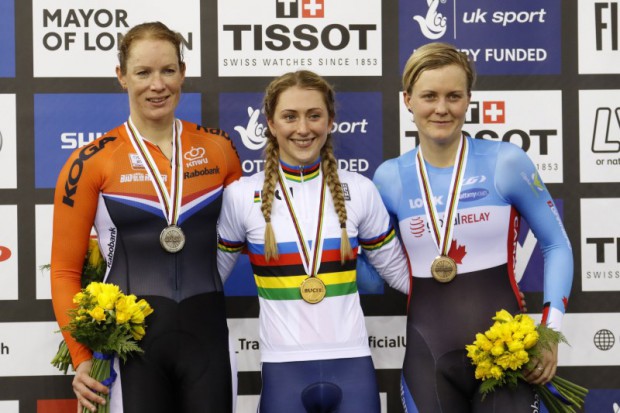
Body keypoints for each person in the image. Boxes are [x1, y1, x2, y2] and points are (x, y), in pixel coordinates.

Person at [50, 21, 242, 413]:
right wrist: (81, 355)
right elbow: (64, 271)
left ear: (183, 73)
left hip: (208, 341)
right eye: (143, 72)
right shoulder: (90, 161)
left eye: (168, 70)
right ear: (121, 77)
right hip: (129, 353)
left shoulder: (220, 149)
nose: (158, 85)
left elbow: (249, 233)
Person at [372, 42, 574, 412]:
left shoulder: (506, 161)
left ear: (468, 100)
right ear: (408, 100)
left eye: (454, 96)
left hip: (508, 357)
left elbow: (556, 245)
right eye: (429, 96)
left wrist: (550, 331)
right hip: (427, 358)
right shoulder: (389, 178)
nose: (442, 108)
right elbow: (374, 270)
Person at [216, 70, 410, 413]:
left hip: (353, 365)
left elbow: (401, 275)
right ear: (271, 124)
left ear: (331, 121)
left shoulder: (361, 190)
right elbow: (208, 280)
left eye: (314, 115)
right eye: (290, 116)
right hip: (282, 370)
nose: (303, 128)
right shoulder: (241, 195)